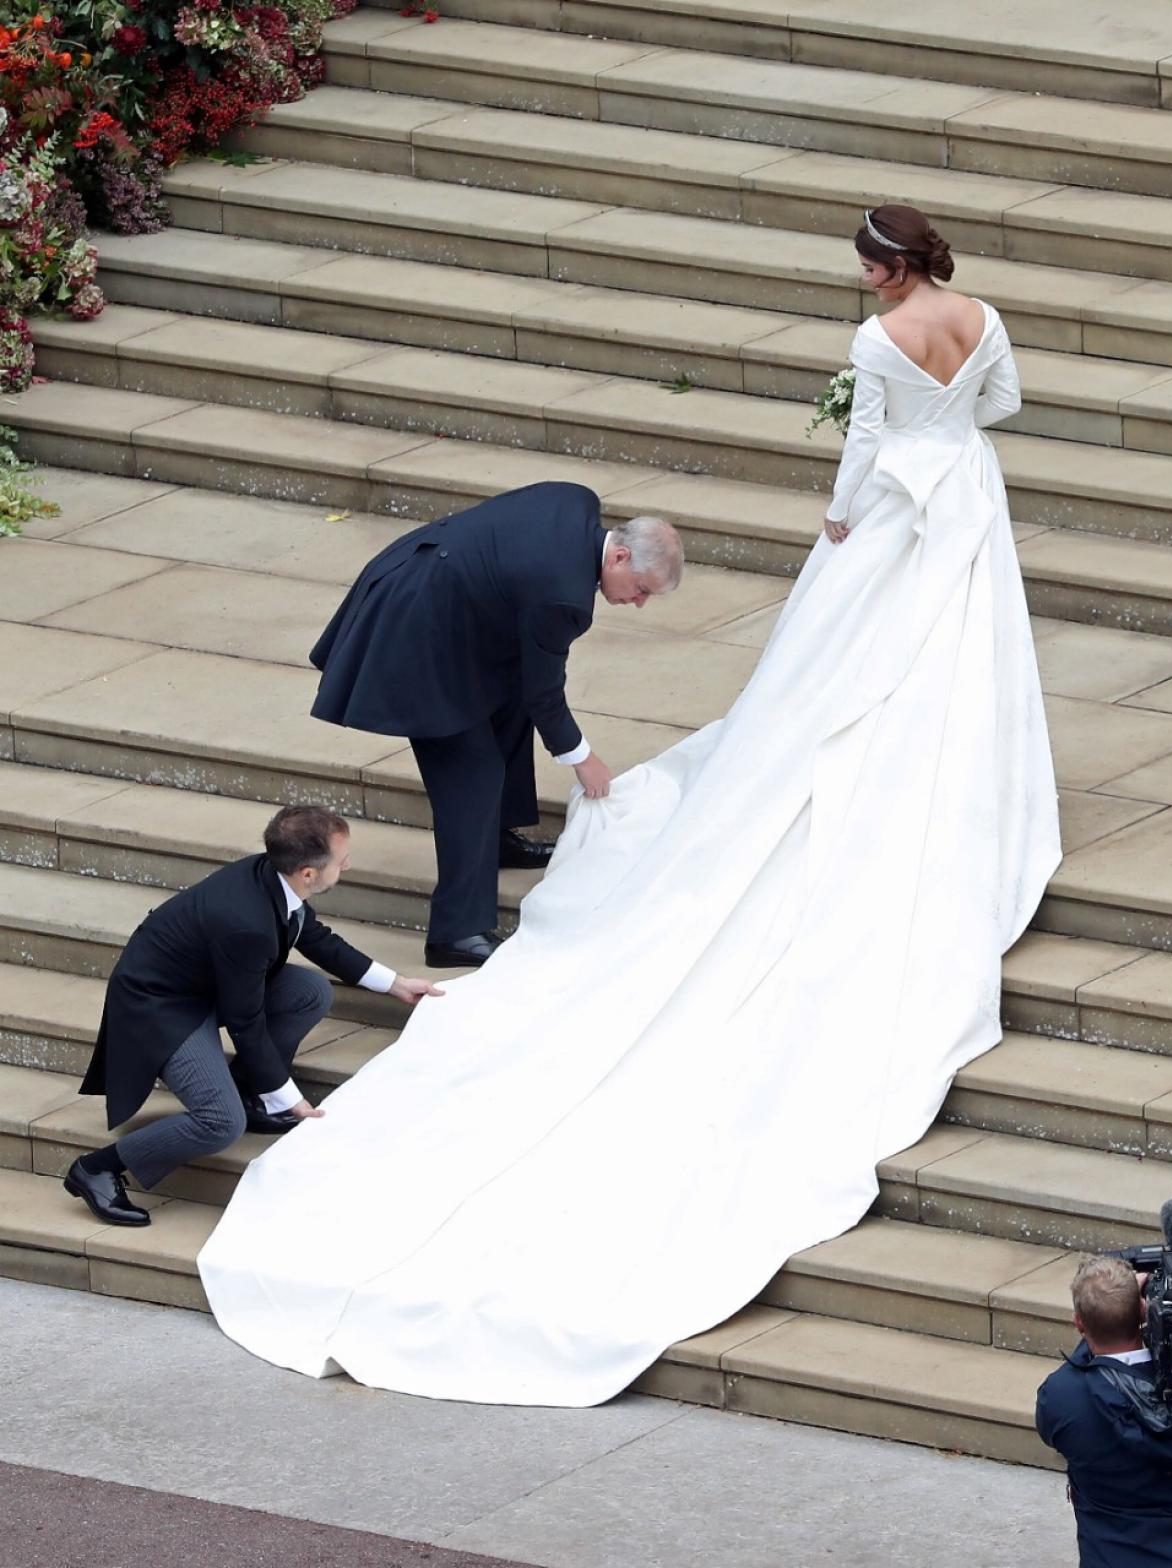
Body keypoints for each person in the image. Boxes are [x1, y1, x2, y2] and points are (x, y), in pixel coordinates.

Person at [198, 205, 1061, 1406]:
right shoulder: (980, 317)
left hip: (895, 510)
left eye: (865, 266)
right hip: (965, 497)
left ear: (885, 267)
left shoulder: (875, 342)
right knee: (955, 658)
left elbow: (863, 455)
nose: (861, 280)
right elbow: (1004, 406)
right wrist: (948, 433)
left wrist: (842, 519)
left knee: (829, 675)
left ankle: (478, 896)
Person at [308, 482, 684, 968]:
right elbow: (546, 694)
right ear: (619, 557)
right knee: (472, 773)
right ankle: (457, 932)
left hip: (441, 596)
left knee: (508, 701)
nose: (639, 603)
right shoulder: (563, 598)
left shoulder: (576, 501)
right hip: (415, 630)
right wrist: (581, 757)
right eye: (641, 590)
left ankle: (498, 838)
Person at [69, 805, 442, 1227]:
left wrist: (396, 984)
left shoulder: (272, 875)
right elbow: (245, 1022)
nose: (348, 865)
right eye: (342, 861)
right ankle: (98, 1167)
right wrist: (289, 1097)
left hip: (207, 982)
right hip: (161, 1005)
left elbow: (315, 938)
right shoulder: (247, 922)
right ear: (308, 873)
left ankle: (251, 1094)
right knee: (221, 1123)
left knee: (310, 992)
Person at [1036, 1256, 1172, 1565]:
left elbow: (1082, 1374)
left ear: (1078, 1323)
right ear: (1142, 1310)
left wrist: (1103, 1320)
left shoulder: (1061, 1398)